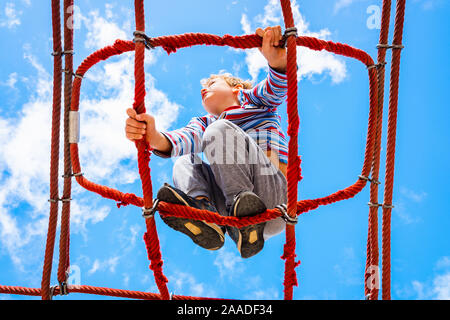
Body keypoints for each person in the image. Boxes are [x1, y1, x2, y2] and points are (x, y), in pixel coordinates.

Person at [125, 26, 291, 258]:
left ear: (236, 89)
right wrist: (152, 137)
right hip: (233, 221)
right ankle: (204, 212)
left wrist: (277, 63)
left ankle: (242, 206)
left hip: (272, 201)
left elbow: (276, 88)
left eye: (212, 84)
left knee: (219, 128)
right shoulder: (206, 123)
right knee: (185, 161)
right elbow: (181, 140)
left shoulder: (255, 102)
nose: (204, 89)